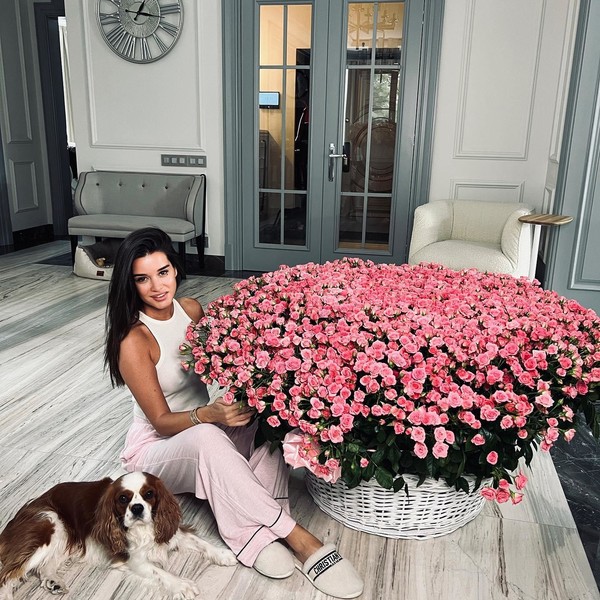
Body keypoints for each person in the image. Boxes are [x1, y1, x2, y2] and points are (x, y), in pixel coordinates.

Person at [105, 227, 364, 599]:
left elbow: (220, 362)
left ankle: (255, 536)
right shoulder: (134, 339)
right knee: (207, 435)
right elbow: (160, 422)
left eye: (163, 272)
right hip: (157, 449)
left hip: (205, 428)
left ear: (175, 268)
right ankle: (298, 537)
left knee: (268, 416)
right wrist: (210, 415)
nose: (158, 286)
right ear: (130, 285)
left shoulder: (190, 309)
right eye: (142, 279)